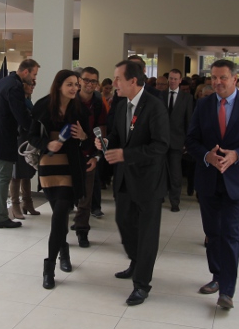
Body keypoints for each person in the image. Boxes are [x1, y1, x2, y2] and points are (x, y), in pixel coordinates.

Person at [185, 59, 239, 310]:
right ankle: (217, 276)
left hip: (237, 180)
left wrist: (237, 155)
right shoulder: (203, 104)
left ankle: (227, 291)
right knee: (212, 233)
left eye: (222, 77)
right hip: (208, 180)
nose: (217, 82)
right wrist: (206, 156)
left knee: (230, 233)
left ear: (234, 78)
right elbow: (191, 140)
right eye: (213, 77)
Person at [96, 60, 169, 306]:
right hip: (124, 179)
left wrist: (126, 155)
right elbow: (118, 135)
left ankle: (141, 284)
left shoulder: (155, 107)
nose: (114, 83)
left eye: (118, 78)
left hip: (148, 181)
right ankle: (136, 262)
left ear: (133, 81)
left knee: (147, 234)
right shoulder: (120, 105)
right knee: (124, 223)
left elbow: (160, 146)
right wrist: (107, 142)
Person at [28, 70, 92, 289]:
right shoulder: (43, 106)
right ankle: (63, 250)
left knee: (61, 212)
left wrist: (83, 136)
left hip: (71, 168)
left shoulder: (80, 109)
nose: (75, 88)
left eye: (76, 84)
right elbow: (31, 136)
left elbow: (89, 142)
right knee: (59, 215)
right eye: (70, 84)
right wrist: (47, 144)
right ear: (58, 86)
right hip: (49, 166)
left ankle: (49, 268)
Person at [0, 58, 39, 228]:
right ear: (26, 71)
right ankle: (1, 217)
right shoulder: (15, 87)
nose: (34, 79)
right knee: (3, 177)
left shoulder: (4, 81)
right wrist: (36, 131)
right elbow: (21, 115)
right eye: (34, 74)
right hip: (2, 138)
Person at [72, 67, 107, 245]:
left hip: (88, 156)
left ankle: (82, 230)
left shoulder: (99, 104)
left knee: (86, 198)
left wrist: (97, 156)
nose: (89, 84)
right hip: (68, 156)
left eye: (93, 81)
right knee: (67, 197)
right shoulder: (70, 99)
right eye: (86, 80)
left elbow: (102, 132)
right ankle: (62, 235)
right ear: (79, 80)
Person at [162, 68, 194, 212]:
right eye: (171, 78)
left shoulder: (186, 98)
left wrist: (187, 142)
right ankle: (160, 196)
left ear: (180, 80)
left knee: (175, 173)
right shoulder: (160, 95)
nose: (173, 81)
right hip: (160, 141)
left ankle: (175, 201)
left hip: (177, 141)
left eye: (175, 79)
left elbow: (189, 121)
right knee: (160, 171)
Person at [8, 80, 39, 218]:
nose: (32, 87)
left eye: (34, 85)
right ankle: (15, 205)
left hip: (28, 139)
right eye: (30, 84)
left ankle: (27, 202)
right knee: (17, 174)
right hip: (18, 138)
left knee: (27, 172)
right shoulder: (19, 101)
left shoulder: (28, 101)